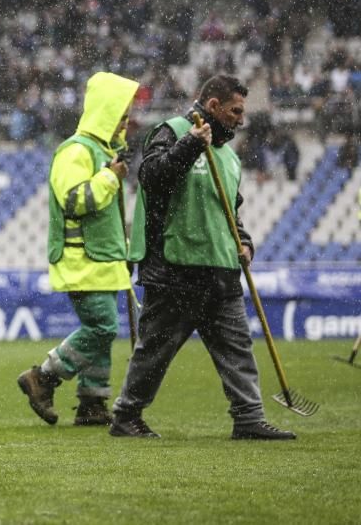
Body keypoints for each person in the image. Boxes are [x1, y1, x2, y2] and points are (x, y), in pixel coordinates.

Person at [109, 74, 295, 441]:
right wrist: (191, 145)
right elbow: (152, 177)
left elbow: (230, 209)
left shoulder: (229, 156)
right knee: (155, 351)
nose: (241, 119)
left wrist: (244, 242)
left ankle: (249, 418)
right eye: (235, 111)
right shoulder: (171, 130)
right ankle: (126, 416)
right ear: (213, 106)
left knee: (237, 347)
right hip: (174, 267)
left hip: (221, 267)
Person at [17, 72, 138, 427]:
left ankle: (92, 403)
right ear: (105, 113)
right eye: (121, 115)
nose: (126, 123)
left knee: (100, 330)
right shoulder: (76, 151)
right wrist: (110, 177)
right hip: (82, 260)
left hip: (99, 259)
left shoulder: (102, 153)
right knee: (101, 327)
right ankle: (43, 376)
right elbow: (74, 201)